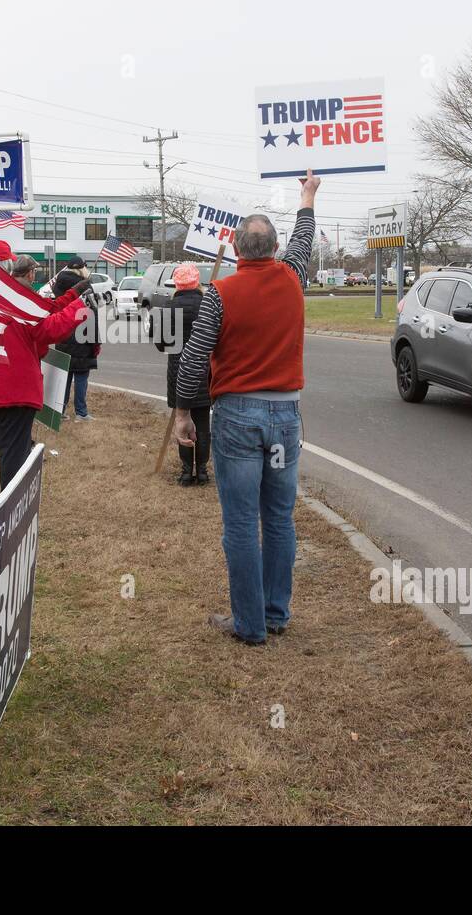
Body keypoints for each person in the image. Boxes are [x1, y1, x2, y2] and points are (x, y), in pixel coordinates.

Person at [173, 169, 319, 646]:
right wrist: (306, 198)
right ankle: (276, 613)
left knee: (240, 522)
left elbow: (195, 357)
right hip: (286, 415)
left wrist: (181, 414)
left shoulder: (221, 293)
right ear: (274, 251)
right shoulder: (293, 278)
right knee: (279, 517)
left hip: (237, 416)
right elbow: (303, 241)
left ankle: (250, 624)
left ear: (236, 251)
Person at [0, 252, 90, 518]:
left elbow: (44, 313)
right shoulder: (16, 300)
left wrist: (72, 296)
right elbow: (46, 329)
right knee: (13, 452)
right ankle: (10, 510)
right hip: (15, 386)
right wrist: (80, 306)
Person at [155, 262, 210, 484]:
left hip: (178, 370)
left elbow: (161, 344)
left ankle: (187, 472)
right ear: (197, 282)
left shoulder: (167, 308)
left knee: (183, 420)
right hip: (204, 369)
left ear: (176, 283)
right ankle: (203, 471)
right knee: (203, 423)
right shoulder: (207, 306)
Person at [50, 258, 98, 421]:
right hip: (82, 336)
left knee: (64, 375)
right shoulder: (85, 286)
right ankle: (81, 412)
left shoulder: (58, 285)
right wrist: (95, 342)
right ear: (82, 269)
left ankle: (60, 410)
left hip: (62, 335)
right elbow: (92, 315)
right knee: (81, 376)